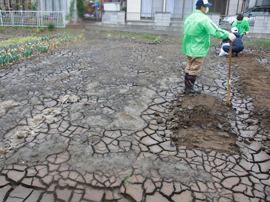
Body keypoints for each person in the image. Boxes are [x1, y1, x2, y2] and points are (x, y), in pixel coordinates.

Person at [183, 0, 236, 93]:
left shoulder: (189, 18)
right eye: (206, 6)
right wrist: (228, 34)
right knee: (194, 68)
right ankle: (190, 88)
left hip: (188, 47)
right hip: (198, 48)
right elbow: (215, 30)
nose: (207, 8)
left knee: (189, 67)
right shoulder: (204, 19)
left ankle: (186, 86)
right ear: (202, 7)